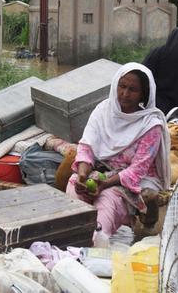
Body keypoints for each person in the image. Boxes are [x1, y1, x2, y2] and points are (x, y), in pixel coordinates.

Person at [66, 62, 171, 245]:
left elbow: (137, 170)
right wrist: (83, 174)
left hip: (131, 179)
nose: (125, 94)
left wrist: (104, 184)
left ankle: (96, 241)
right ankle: (70, 234)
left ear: (143, 94)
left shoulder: (150, 125)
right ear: (115, 85)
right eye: (122, 86)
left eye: (133, 89)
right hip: (100, 170)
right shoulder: (103, 111)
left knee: (108, 199)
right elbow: (86, 147)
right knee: (74, 184)